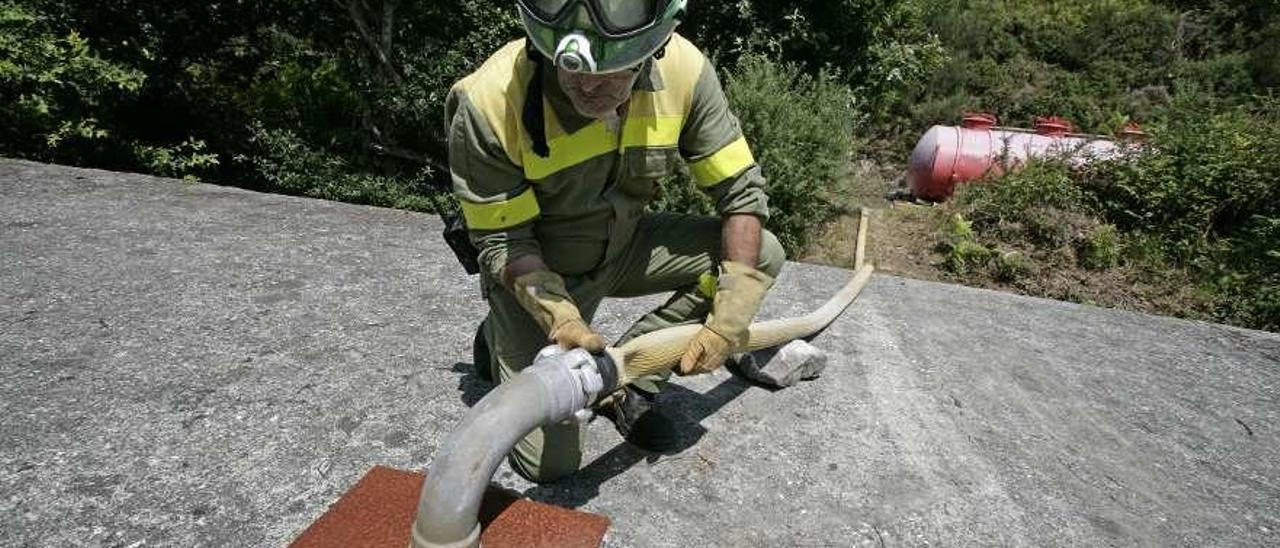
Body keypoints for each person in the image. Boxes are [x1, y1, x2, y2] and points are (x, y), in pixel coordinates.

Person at [445, 0, 785, 483]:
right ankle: (501, 333)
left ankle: (631, 383)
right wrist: (560, 317)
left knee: (760, 256)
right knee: (550, 467)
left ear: (653, 49)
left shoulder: (686, 72)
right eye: (570, 70)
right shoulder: (488, 102)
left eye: (611, 74)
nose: (587, 85)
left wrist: (730, 317)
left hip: (625, 247)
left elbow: (741, 194)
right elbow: (503, 240)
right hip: (539, 277)